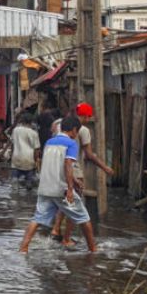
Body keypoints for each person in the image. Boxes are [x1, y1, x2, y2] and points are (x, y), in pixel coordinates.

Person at [18, 114, 97, 253]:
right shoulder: (71, 143)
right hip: (61, 189)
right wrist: (71, 189)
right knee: (84, 219)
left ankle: (23, 248)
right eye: (77, 131)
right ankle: (93, 250)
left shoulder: (49, 142)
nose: (76, 134)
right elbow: (67, 164)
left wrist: (74, 180)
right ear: (74, 130)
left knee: (37, 219)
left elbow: (55, 165)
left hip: (45, 188)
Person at [51, 102, 115, 241]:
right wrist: (105, 167)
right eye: (88, 117)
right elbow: (89, 155)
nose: (88, 119)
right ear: (85, 116)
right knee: (73, 205)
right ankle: (67, 238)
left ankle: (56, 230)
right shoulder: (83, 130)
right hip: (74, 169)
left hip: (59, 168)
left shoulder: (60, 125)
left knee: (65, 201)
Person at [10, 112, 40, 190]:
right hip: (29, 160)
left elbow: (12, 144)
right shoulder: (34, 133)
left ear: (22, 121)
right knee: (29, 184)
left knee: (14, 181)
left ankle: (15, 192)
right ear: (31, 122)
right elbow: (36, 149)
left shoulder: (15, 130)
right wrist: (36, 161)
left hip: (16, 158)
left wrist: (11, 155)